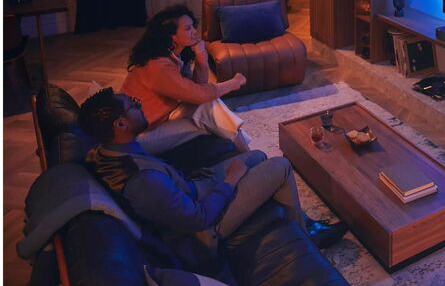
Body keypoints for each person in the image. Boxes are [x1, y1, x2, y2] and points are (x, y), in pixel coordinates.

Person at [78, 89, 348, 272]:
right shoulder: (141, 182)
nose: (139, 105)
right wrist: (230, 181)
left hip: (194, 189)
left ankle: (302, 223)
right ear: (120, 124)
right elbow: (199, 219)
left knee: (256, 156)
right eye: (133, 104)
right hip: (203, 233)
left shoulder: (107, 152)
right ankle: (308, 240)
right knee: (281, 166)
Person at [124, 4, 251, 155]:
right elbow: (200, 94)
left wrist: (201, 58)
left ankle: (245, 153)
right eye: (188, 28)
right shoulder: (158, 66)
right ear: (172, 36)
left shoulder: (172, 57)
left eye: (193, 26)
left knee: (210, 110)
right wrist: (233, 83)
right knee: (212, 121)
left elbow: (198, 88)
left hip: (160, 120)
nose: (195, 31)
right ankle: (248, 155)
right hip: (138, 137)